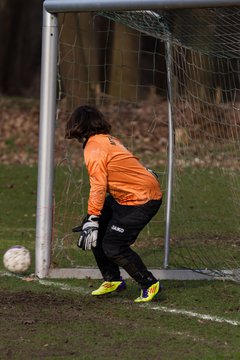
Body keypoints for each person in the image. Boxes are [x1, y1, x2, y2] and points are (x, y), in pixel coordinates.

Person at [65, 105, 163, 302]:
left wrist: (93, 216)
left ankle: (149, 283)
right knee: (95, 227)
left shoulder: (94, 147)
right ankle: (113, 279)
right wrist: (92, 219)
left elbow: (99, 185)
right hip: (127, 196)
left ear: (78, 125)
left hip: (141, 199)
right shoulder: (108, 140)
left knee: (113, 245)